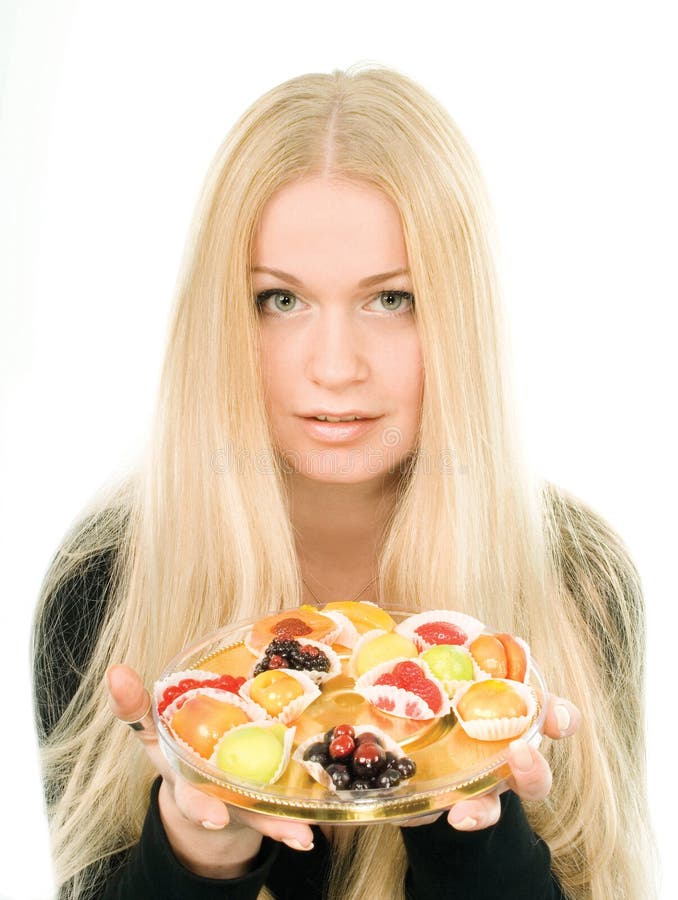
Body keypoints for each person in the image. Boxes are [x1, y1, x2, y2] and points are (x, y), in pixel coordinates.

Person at [32, 63, 655, 899]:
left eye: (391, 299)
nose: (334, 368)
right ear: (222, 319)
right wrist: (196, 855)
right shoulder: (106, 584)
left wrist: (476, 843)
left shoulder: (578, 578)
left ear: (457, 316)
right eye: (280, 302)